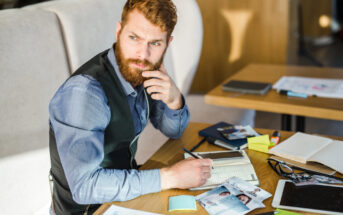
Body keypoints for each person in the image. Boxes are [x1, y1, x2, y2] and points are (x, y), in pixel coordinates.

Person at [48, 0, 213, 214]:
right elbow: (84, 187)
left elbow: (174, 130)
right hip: (90, 210)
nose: (142, 54)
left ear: (167, 44)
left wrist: (174, 99)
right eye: (134, 38)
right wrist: (169, 177)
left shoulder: (142, 72)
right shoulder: (84, 93)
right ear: (119, 31)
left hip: (127, 198)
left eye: (155, 43)